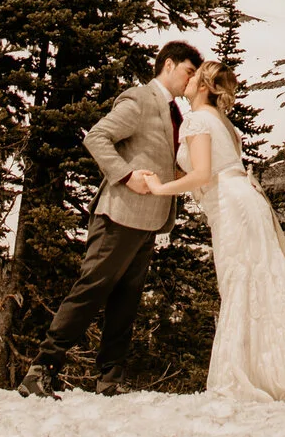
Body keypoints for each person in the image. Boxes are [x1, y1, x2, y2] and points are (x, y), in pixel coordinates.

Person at [148, 61, 285, 403]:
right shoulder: (224, 124)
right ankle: (269, 370)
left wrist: (159, 188)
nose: (188, 78)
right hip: (244, 202)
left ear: (205, 86)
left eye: (194, 75)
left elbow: (202, 174)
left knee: (242, 282)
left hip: (232, 206)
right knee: (261, 282)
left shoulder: (198, 119)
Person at [18, 40, 203, 396]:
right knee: (90, 290)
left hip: (148, 221)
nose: (190, 80)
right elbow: (97, 137)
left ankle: (109, 380)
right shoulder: (139, 99)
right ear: (168, 65)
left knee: (126, 301)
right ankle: (40, 370)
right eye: (188, 71)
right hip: (119, 214)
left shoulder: (176, 110)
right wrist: (126, 175)